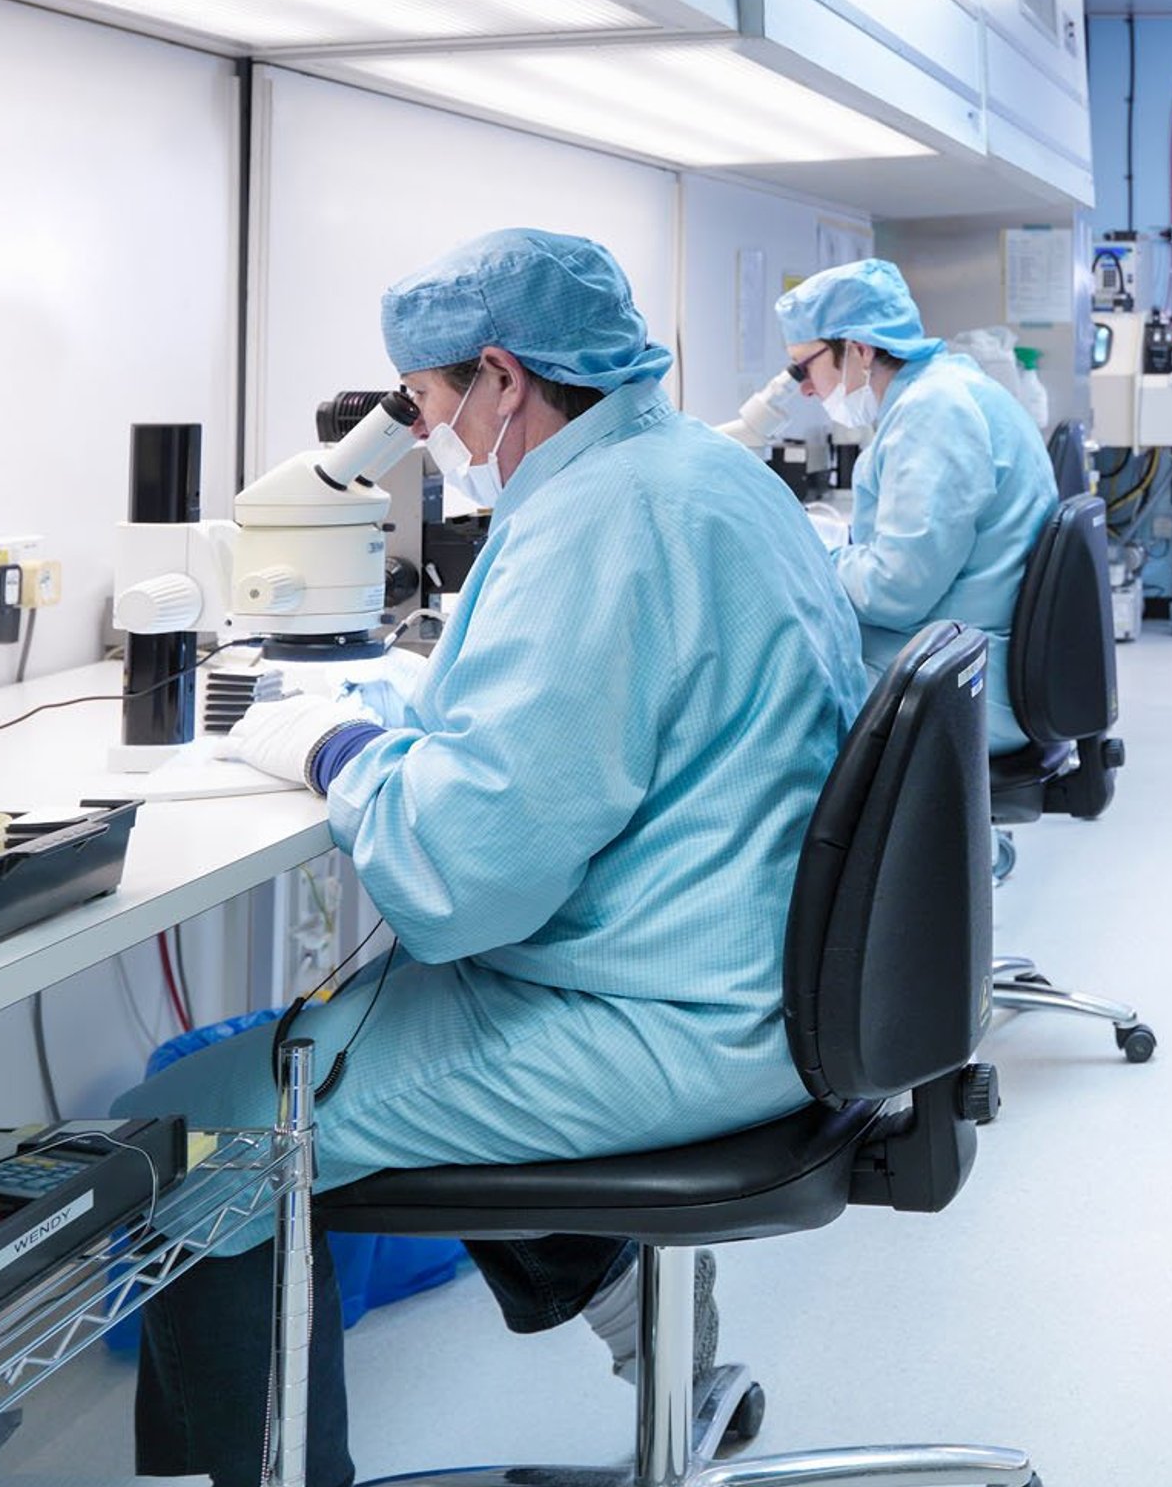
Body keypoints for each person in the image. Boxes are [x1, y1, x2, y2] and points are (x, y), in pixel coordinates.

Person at [124, 228, 866, 1487]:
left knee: (195, 1122)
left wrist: (332, 750)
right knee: (390, 1036)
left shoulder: (598, 523)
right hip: (738, 974)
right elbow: (548, 722)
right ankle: (659, 1342)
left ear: (504, 378)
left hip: (670, 1020)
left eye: (429, 404)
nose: (436, 440)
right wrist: (390, 723)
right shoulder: (684, 471)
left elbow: (473, 871)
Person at [771, 258, 1058, 755]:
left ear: (858, 349)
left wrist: (815, 556)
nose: (806, 387)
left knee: (779, 671)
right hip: (985, 659)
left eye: (805, 366)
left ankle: (808, 834)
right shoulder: (943, 391)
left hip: (973, 683)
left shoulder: (934, 412)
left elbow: (893, 591)